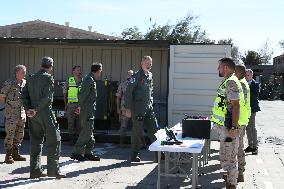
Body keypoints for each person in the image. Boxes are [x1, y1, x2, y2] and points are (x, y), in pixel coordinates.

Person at [21, 57, 65, 179]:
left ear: (41, 65)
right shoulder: (48, 78)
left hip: (33, 114)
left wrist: (28, 109)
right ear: (51, 66)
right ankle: (53, 170)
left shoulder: (30, 77)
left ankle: (35, 171)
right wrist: (36, 109)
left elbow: (23, 95)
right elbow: (47, 98)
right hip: (44, 112)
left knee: (35, 142)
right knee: (54, 140)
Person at [211, 57, 246, 189]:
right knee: (227, 157)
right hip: (225, 127)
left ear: (225, 68)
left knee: (229, 159)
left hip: (229, 128)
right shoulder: (228, 81)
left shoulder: (231, 82)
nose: (218, 69)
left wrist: (234, 127)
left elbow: (236, 106)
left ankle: (231, 185)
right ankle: (231, 181)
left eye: (219, 66)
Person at [124, 56, 158, 162]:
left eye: (150, 63)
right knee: (137, 132)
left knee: (155, 131)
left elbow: (150, 91)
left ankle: (159, 154)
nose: (149, 65)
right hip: (138, 108)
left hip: (148, 108)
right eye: (147, 63)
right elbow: (128, 92)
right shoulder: (137, 76)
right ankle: (134, 155)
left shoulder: (150, 75)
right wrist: (128, 108)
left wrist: (151, 103)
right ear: (142, 63)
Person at [70, 63, 102, 161]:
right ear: (97, 71)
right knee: (85, 132)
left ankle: (88, 152)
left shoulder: (90, 79)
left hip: (89, 110)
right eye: (100, 72)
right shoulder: (89, 80)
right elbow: (82, 95)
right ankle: (76, 152)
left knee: (89, 132)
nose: (100, 74)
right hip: (86, 110)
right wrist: (78, 106)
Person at [0, 65, 27, 164]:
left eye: (24, 72)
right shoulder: (9, 82)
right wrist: (8, 107)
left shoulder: (25, 82)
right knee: (10, 134)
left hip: (22, 114)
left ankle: (16, 154)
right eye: (22, 72)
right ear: (16, 73)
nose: (24, 74)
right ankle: (8, 155)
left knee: (19, 134)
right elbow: (2, 97)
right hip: (11, 114)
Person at [235, 64, 251, 182]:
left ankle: (239, 172)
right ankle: (240, 172)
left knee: (237, 147)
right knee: (239, 146)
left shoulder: (240, 84)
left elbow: (236, 104)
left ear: (238, 72)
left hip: (239, 120)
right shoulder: (245, 83)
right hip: (243, 119)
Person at [63, 65, 82, 144]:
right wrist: (65, 104)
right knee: (70, 122)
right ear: (73, 71)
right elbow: (64, 93)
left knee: (79, 123)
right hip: (71, 105)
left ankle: (78, 139)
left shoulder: (83, 80)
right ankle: (71, 139)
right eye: (77, 70)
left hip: (80, 105)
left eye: (79, 70)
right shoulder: (69, 80)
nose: (79, 71)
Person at [244, 69, 260, 155]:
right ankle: (250, 145)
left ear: (251, 75)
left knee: (252, 127)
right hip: (245, 109)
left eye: (248, 75)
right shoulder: (244, 84)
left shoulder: (255, 84)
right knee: (247, 127)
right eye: (245, 75)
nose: (246, 77)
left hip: (252, 109)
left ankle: (255, 147)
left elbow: (254, 96)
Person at [116, 70, 134, 147]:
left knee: (138, 126)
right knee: (123, 126)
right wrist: (118, 108)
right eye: (129, 74)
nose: (130, 76)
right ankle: (121, 143)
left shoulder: (136, 85)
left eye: (131, 75)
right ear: (127, 75)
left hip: (134, 109)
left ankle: (140, 144)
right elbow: (118, 97)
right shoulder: (122, 85)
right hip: (124, 109)